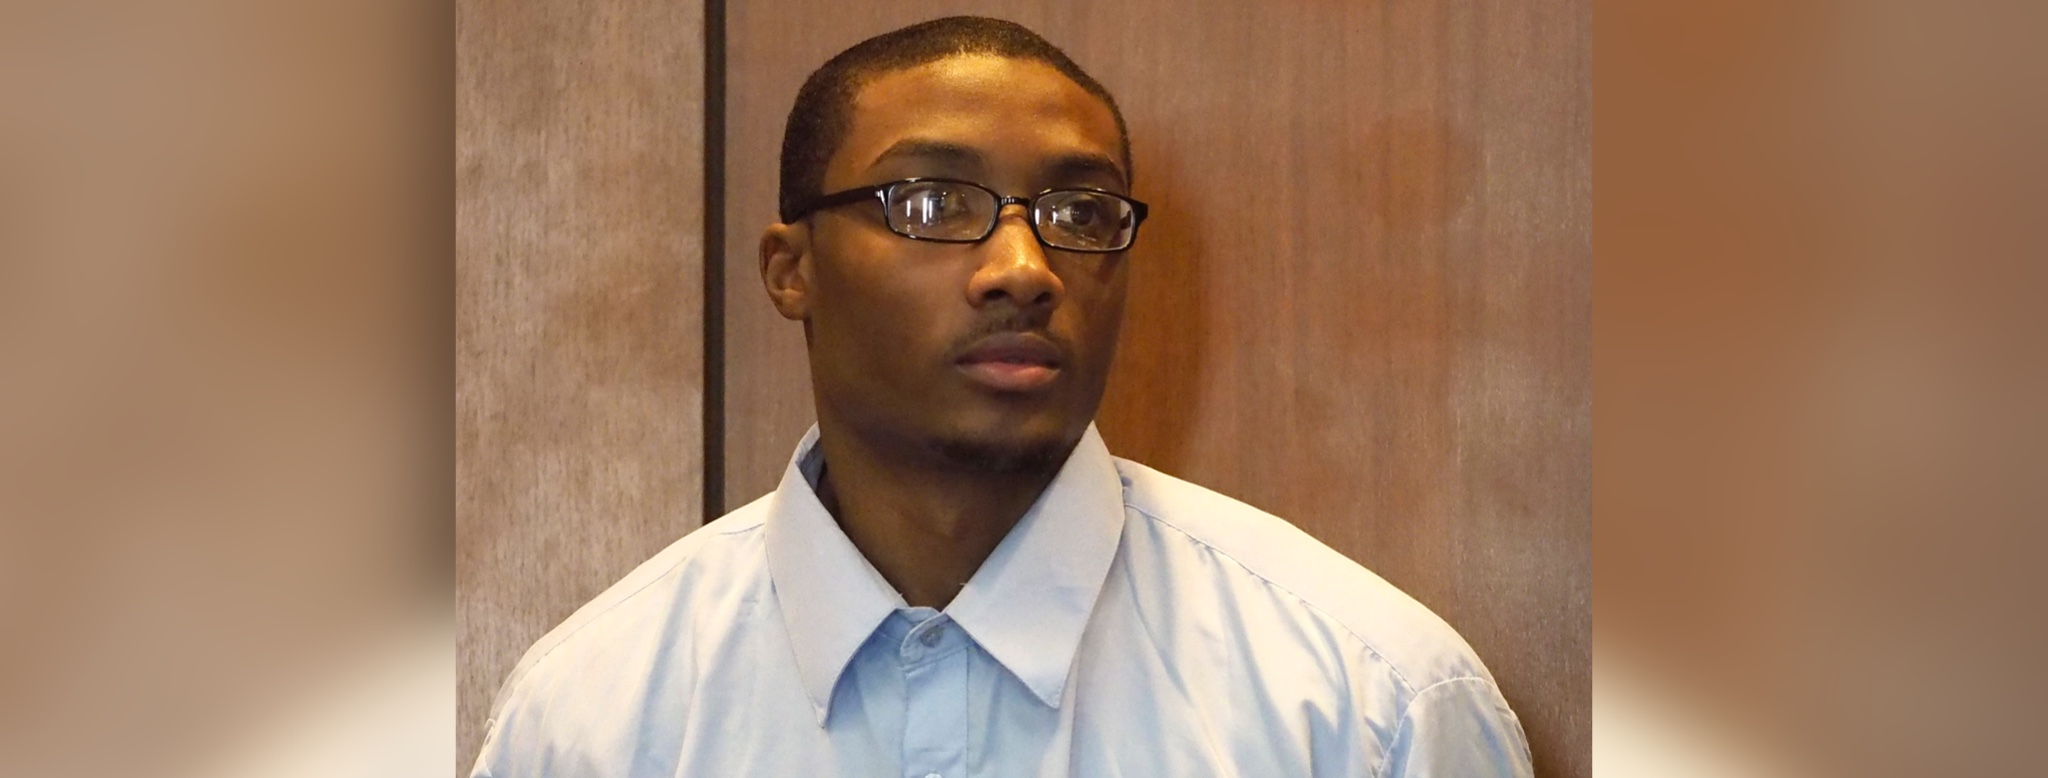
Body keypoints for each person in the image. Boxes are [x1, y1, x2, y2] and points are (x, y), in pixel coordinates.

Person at [470, 15, 1533, 778]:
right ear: (790, 270)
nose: (1024, 267)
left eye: (1079, 211)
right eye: (932, 202)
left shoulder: (1365, 706)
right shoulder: (591, 719)